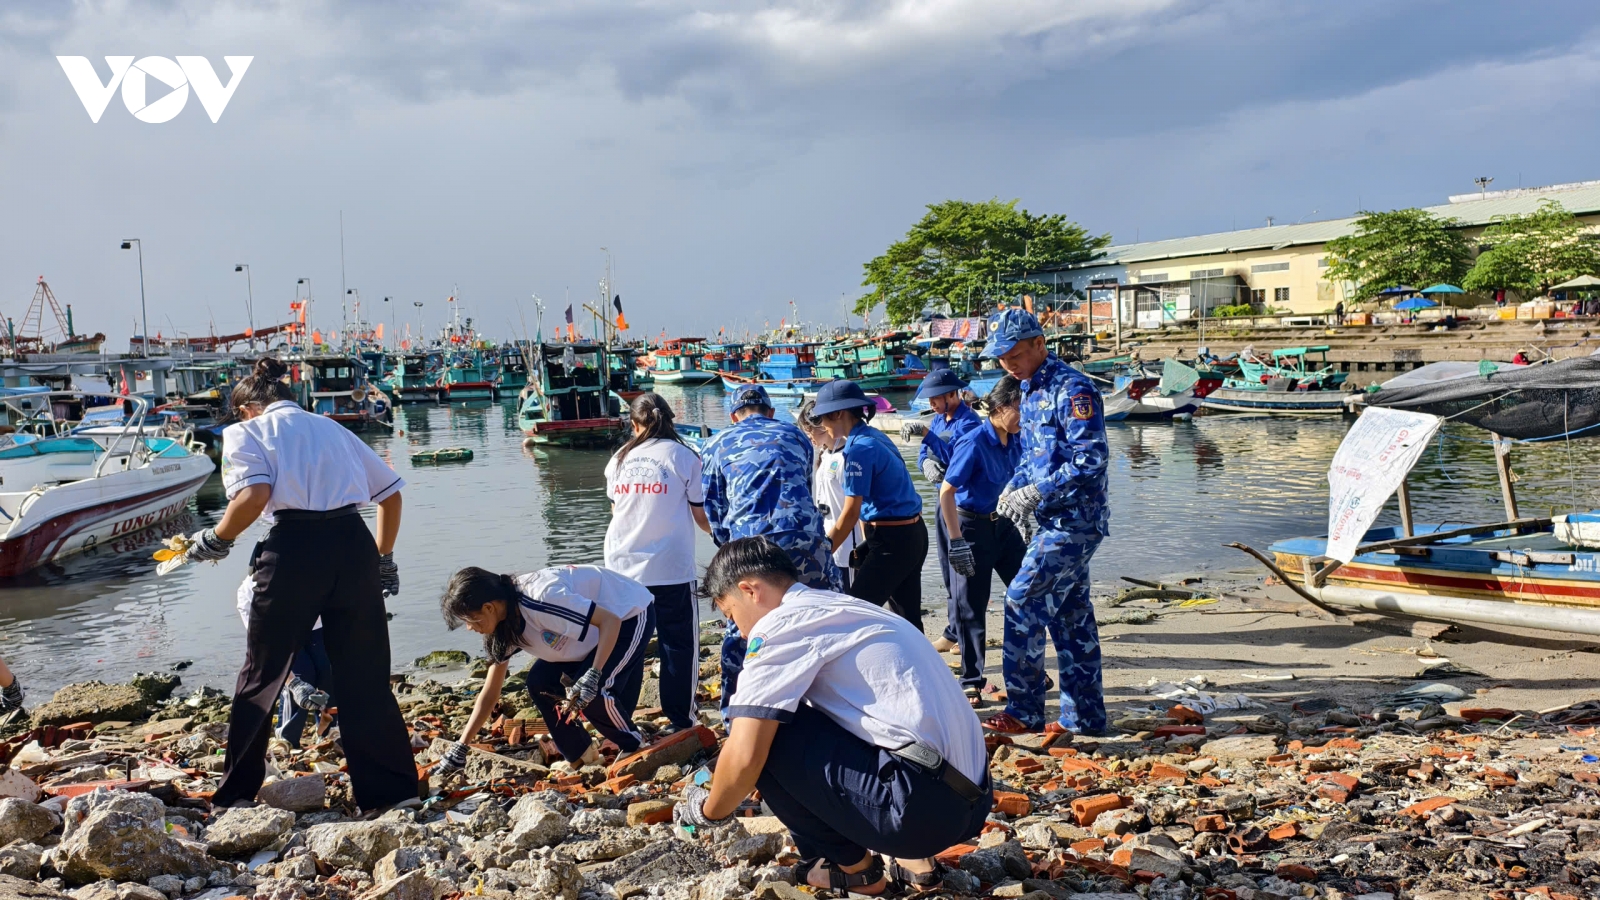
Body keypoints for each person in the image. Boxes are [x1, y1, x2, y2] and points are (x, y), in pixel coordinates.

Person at [673, 538, 991, 894]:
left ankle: (854, 872)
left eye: (732, 616)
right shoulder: (842, 607)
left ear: (749, 590)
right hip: (973, 801)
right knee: (811, 710)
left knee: (766, 731)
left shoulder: (780, 625)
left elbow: (746, 753)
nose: (741, 632)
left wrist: (707, 812)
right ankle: (916, 862)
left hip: (922, 812)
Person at [197, 357, 415, 812]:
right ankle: (394, 794)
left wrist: (216, 539)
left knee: (263, 672)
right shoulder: (334, 428)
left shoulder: (246, 433)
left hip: (294, 548)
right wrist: (384, 557)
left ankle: (236, 793)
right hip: (354, 545)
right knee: (365, 675)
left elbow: (253, 496)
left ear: (246, 409)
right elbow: (390, 493)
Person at [976, 310, 1111, 737]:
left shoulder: (1072, 389)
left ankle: (1023, 711)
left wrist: (1036, 494)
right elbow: (1035, 460)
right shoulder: (1028, 392)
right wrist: (1012, 488)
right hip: (1056, 519)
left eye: (1016, 354)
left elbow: (1091, 458)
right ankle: (1084, 718)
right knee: (1071, 618)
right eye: (1002, 359)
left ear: (1040, 343)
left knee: (1020, 601)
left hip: (1074, 520)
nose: (1009, 365)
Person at [701, 385, 840, 707]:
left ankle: (736, 712)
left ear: (733, 416)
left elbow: (714, 509)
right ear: (770, 411)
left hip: (751, 544)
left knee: (743, 626)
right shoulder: (795, 435)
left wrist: (728, 548)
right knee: (823, 613)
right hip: (804, 536)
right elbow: (806, 485)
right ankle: (831, 703)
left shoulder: (716, 443)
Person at [436, 565, 655, 768]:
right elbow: (490, 692)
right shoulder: (504, 626)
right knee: (539, 682)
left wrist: (593, 674)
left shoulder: (542, 599)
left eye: (470, 619)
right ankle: (583, 756)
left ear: (488, 607)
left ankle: (636, 745)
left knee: (591, 692)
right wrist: (461, 746)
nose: (468, 628)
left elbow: (610, 621)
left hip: (628, 615)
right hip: (587, 635)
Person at [603, 393, 711, 732]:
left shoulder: (619, 459)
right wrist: (727, 539)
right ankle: (681, 719)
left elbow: (616, 511)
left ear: (635, 425)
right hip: (671, 568)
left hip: (622, 568)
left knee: (628, 646)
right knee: (678, 644)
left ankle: (620, 721)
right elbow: (701, 515)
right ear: (670, 419)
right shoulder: (685, 457)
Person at [938, 377, 1027, 705]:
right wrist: (956, 540)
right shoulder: (973, 442)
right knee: (971, 607)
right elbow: (947, 493)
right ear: (1001, 408)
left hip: (1004, 526)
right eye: (1020, 409)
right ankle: (971, 678)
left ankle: (1025, 666)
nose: (1025, 416)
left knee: (1027, 591)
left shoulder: (1016, 438)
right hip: (970, 528)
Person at [813, 380, 928, 630]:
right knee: (906, 618)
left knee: (855, 614)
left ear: (837, 413)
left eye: (822, 418)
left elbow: (850, 513)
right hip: (913, 533)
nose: (821, 425)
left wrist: (821, 553)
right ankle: (920, 666)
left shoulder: (858, 451)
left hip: (894, 540)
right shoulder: (874, 436)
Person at [913, 369, 983, 653]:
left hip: (963, 506)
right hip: (941, 502)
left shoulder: (970, 423)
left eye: (936, 399)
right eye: (929, 399)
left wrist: (930, 438)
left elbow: (957, 461)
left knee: (964, 573)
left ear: (952, 394)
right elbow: (923, 454)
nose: (932, 404)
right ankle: (953, 630)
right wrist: (924, 465)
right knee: (946, 570)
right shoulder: (938, 419)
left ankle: (966, 632)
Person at [233, 577, 332, 748]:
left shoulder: (311, 574)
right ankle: (287, 737)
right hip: (277, 632)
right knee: (302, 675)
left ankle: (329, 730)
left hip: (315, 620)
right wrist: (292, 683)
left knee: (327, 668)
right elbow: (267, 651)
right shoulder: (250, 597)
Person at [797, 399, 862, 591]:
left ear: (823, 426)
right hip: (827, 542)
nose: (809, 436)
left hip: (848, 546)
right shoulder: (824, 456)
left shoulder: (847, 457)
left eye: (810, 430)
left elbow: (856, 508)